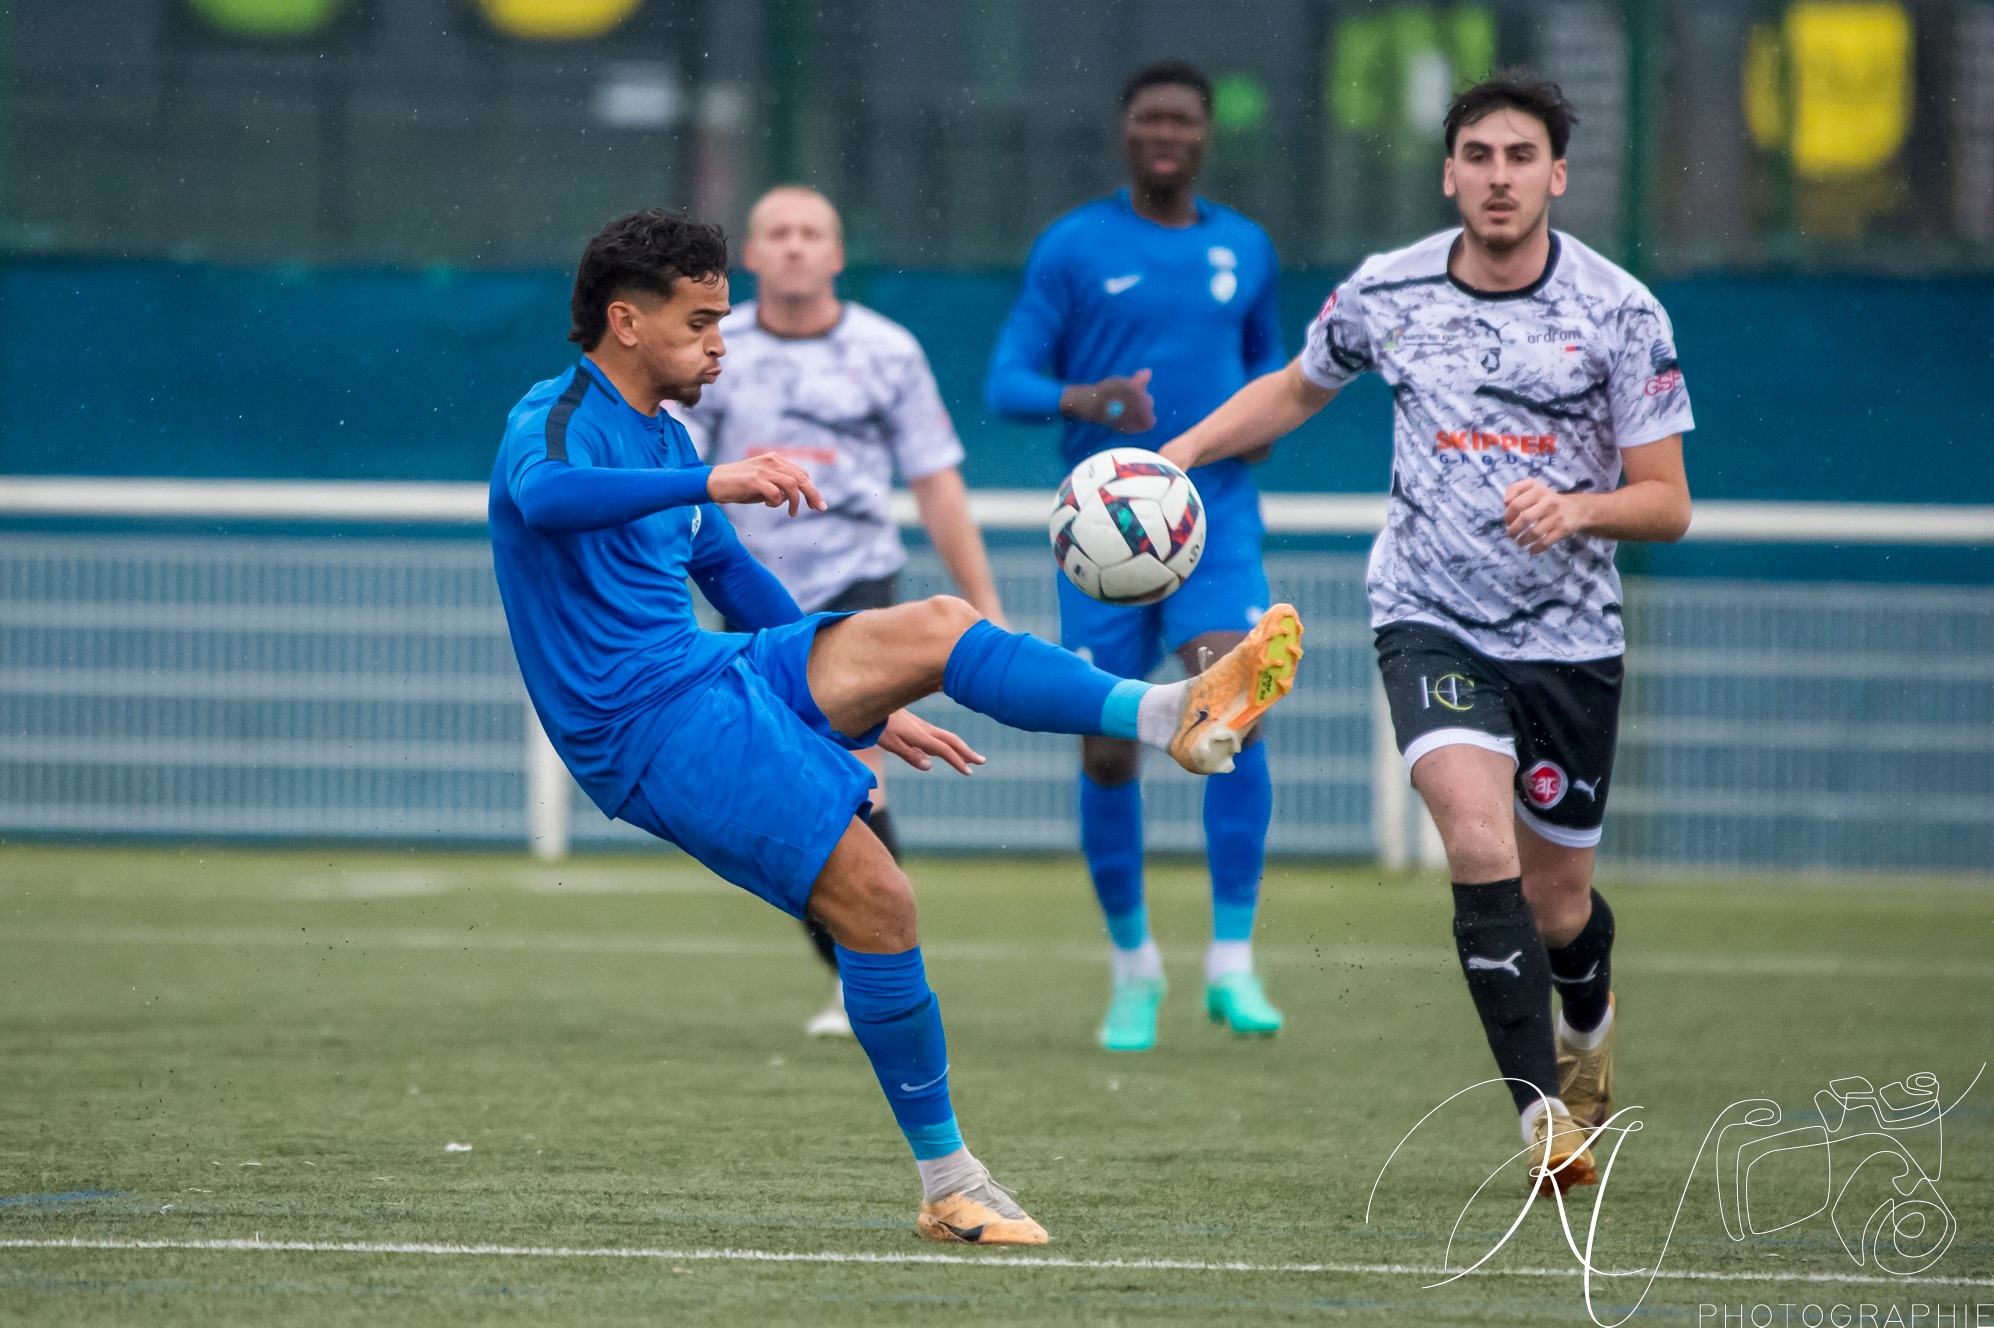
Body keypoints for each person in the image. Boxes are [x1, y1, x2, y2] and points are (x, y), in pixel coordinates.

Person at [489, 208, 1305, 1242]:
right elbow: (550, 498)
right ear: (625, 321)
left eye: (720, 320)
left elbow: (730, 574)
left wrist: (862, 698)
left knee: (934, 625)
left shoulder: (664, 431)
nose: (718, 344)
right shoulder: (555, 418)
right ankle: (948, 1179)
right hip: (639, 720)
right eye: (700, 323)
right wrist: (718, 476)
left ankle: (1166, 712)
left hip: (708, 670)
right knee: (880, 903)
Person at [1156, 70, 1694, 1194]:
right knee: (1473, 839)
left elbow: (1666, 500)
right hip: (1427, 617)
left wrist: (1575, 507)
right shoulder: (1383, 292)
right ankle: (1541, 1114)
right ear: (1448, 173)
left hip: (1568, 637)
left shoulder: (1619, 310)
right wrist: (1181, 456)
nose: (1497, 177)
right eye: (1477, 157)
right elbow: (1293, 391)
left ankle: (1586, 1019)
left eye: (1518, 158)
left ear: (1554, 174)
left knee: (1556, 904)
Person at [985, 60, 1290, 1053]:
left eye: (1183, 120)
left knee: (1228, 701)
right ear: (1124, 133)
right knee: (1106, 741)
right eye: (1149, 118)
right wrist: (1086, 398)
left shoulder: (1244, 248)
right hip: (1105, 540)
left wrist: (1251, 432)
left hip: (1214, 517)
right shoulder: (1072, 246)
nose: (1166, 133)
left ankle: (1232, 962)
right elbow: (1006, 381)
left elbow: (1271, 378)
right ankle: (1133, 969)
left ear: (1205, 135)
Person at [672, 185, 1005, 1040]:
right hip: (745, 595)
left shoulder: (886, 350)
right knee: (794, 791)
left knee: (859, 776)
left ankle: (872, 975)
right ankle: (860, 968)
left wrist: (984, 600)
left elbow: (935, 481)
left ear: (836, 253)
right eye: (776, 233)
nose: (792, 247)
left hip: (858, 587)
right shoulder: (711, 350)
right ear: (749, 255)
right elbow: (676, 484)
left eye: (810, 232)